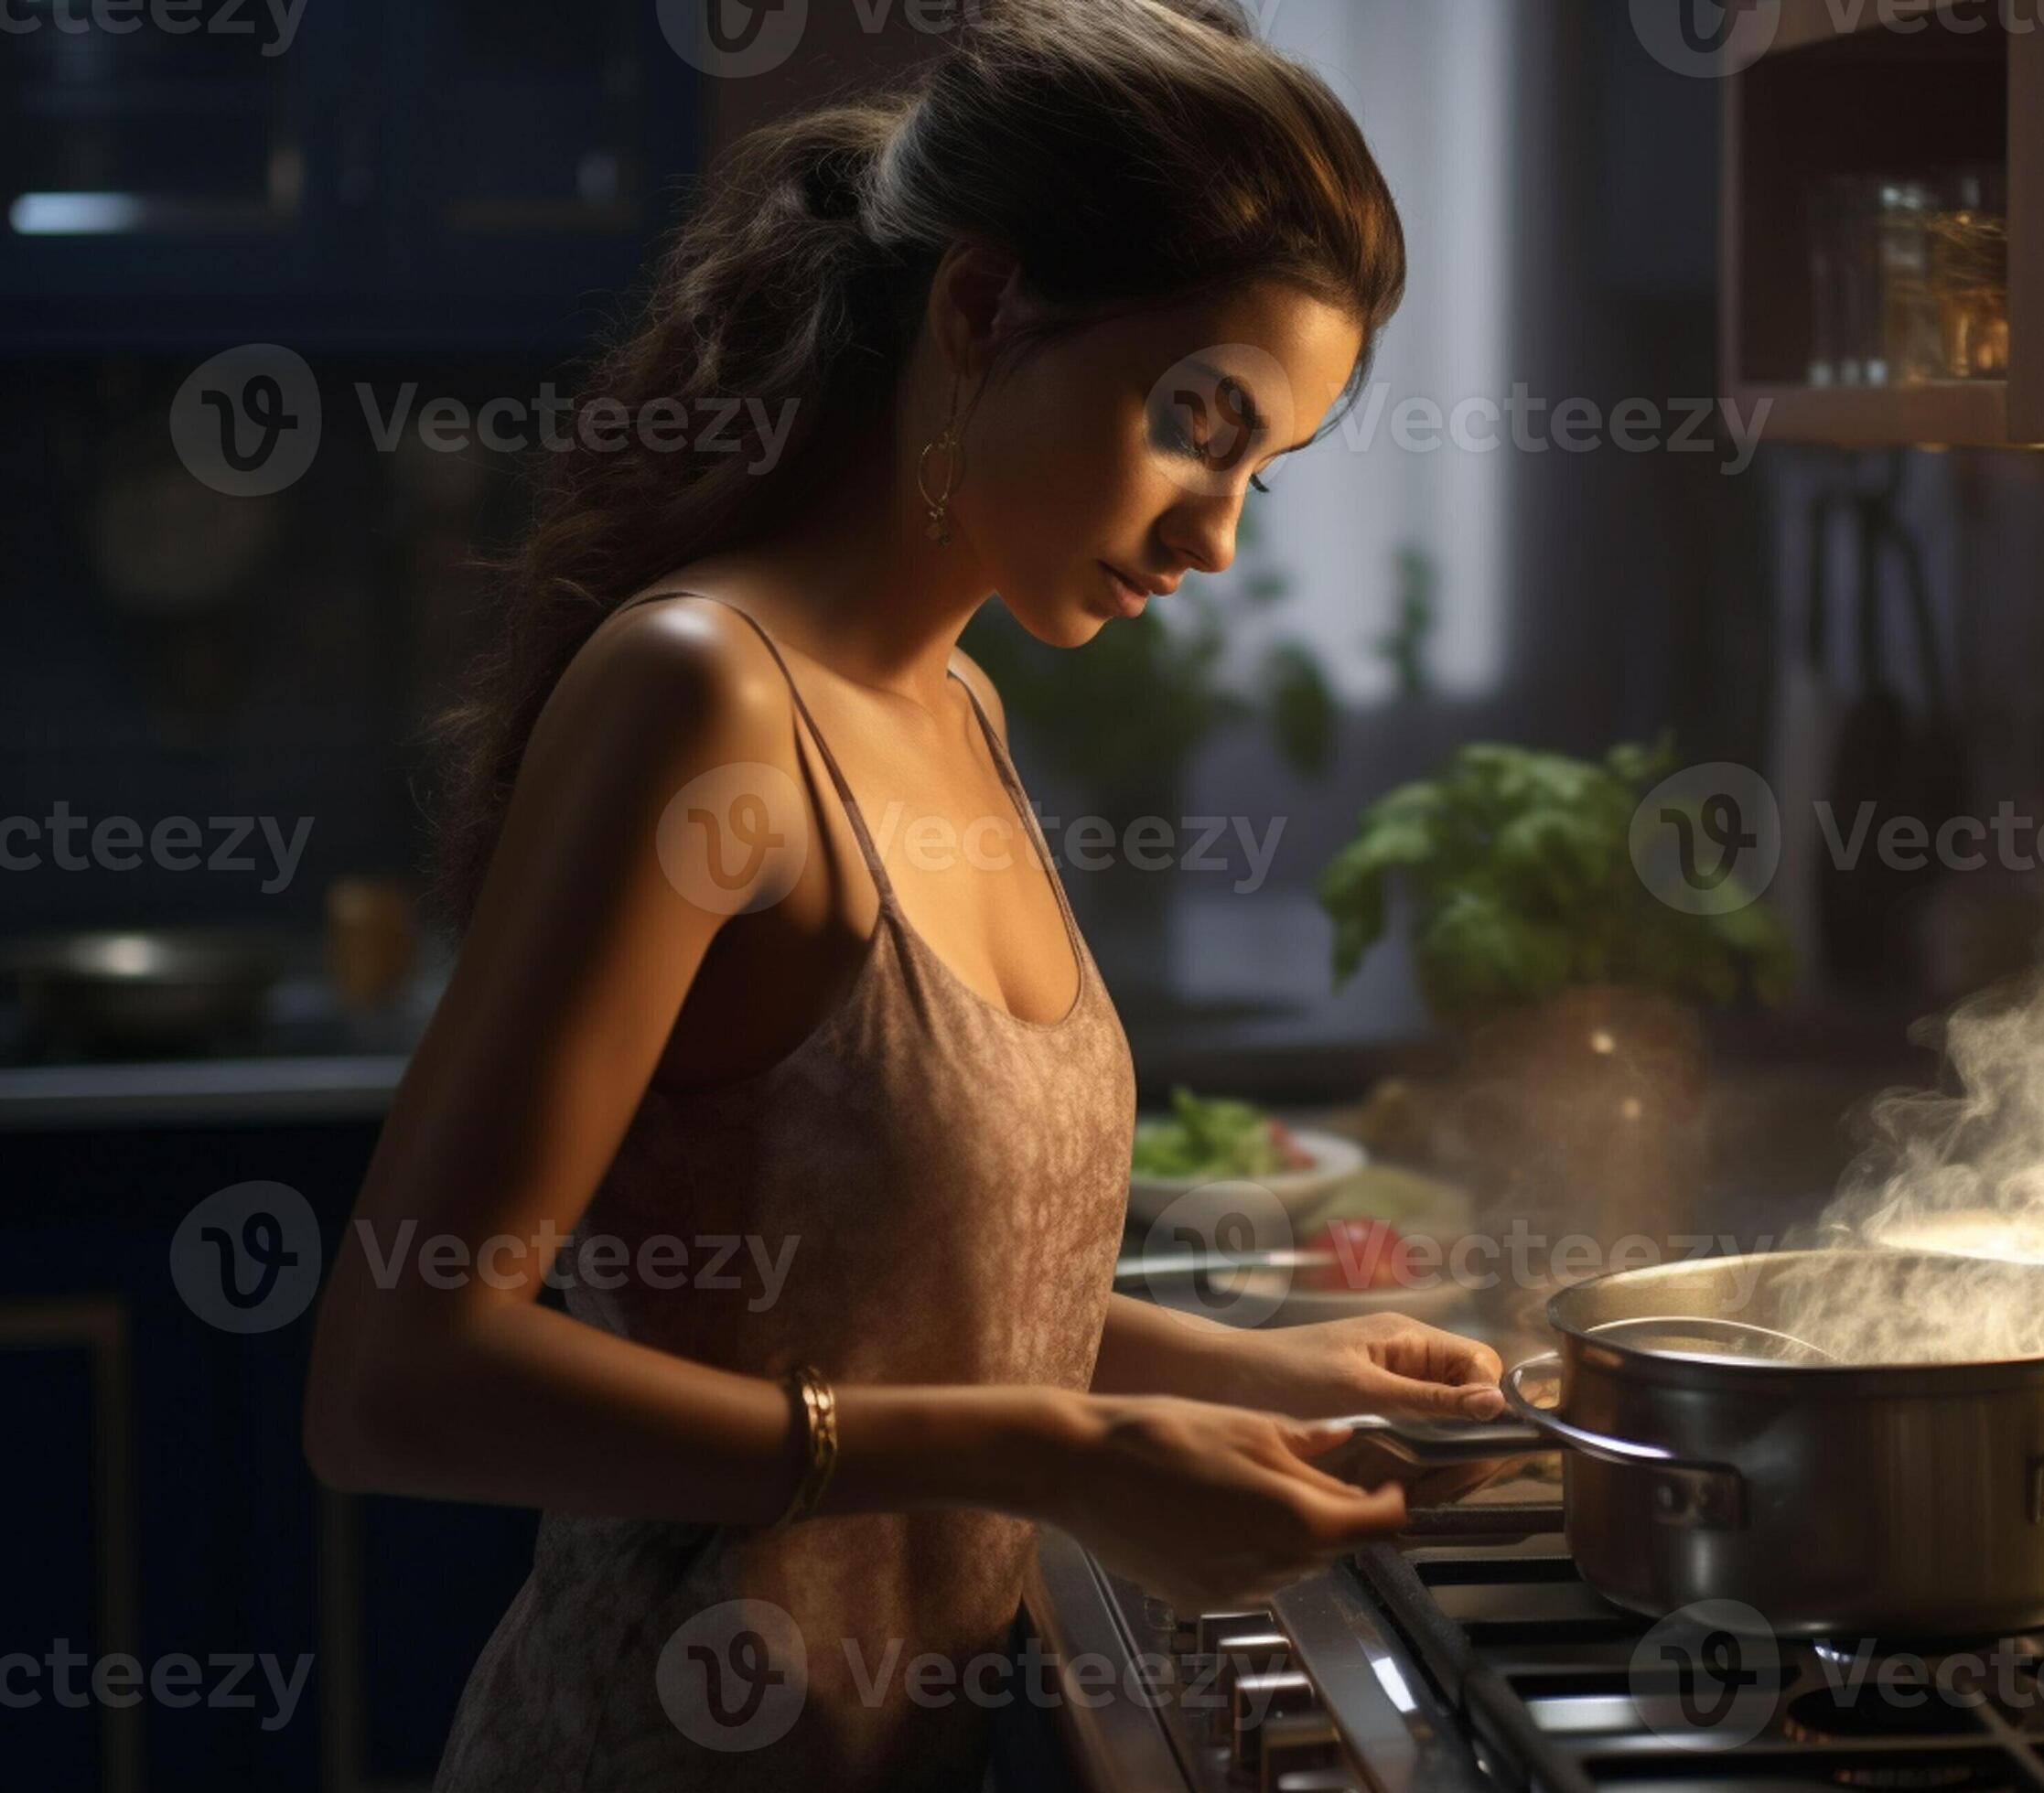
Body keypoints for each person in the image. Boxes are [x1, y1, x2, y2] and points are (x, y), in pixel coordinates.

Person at [300, 3, 1503, 1786]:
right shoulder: (702, 695)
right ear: (979, 308)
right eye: (1200, 426)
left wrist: (1254, 1367)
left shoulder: (961, 707)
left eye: (1263, 469)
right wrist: (1049, 1449)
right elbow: (399, 1373)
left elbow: (887, 1291)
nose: (1220, 533)